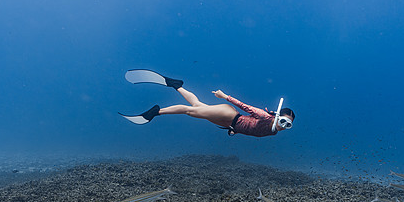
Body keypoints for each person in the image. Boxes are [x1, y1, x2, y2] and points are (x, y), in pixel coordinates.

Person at [119, 70, 295, 137]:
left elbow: (250, 129)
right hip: (229, 114)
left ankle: (175, 85)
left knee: (196, 106)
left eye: (288, 125)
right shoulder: (266, 117)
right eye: (283, 121)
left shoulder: (273, 133)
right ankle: (155, 112)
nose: (284, 126)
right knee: (190, 111)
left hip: (229, 123)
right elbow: (245, 107)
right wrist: (225, 96)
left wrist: (235, 131)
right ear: (277, 116)